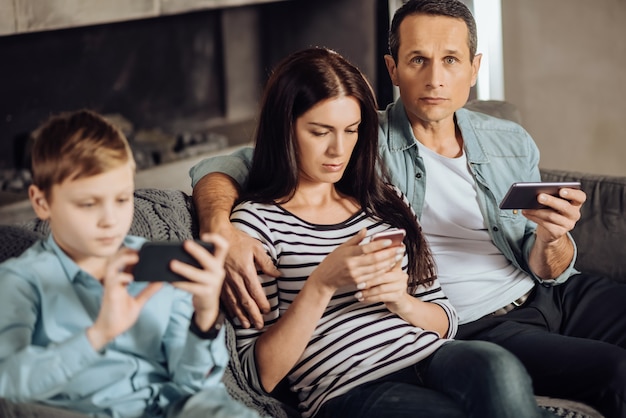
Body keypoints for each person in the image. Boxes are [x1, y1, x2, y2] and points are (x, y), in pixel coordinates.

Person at [189, 2, 626, 417]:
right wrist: (220, 225)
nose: (436, 78)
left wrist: (553, 237)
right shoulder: (362, 155)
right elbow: (230, 165)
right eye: (418, 59)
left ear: (475, 68)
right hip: (438, 343)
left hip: (532, 299)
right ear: (393, 69)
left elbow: (523, 273)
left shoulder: (494, 146)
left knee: (502, 369)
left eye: (451, 60)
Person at [225, 46, 553, 418]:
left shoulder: (384, 201)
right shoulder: (255, 225)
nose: (338, 149)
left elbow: (445, 317)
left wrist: (401, 300)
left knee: (497, 366)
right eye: (320, 132)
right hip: (350, 385)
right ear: (284, 128)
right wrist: (322, 285)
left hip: (429, 355)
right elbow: (258, 375)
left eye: (351, 131)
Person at [0, 110, 260, 418]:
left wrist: (204, 321)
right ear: (42, 202)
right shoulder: (21, 280)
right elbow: (8, 386)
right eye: (88, 204)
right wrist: (98, 334)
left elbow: (192, 383)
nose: (110, 220)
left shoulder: (157, 262)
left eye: (122, 200)